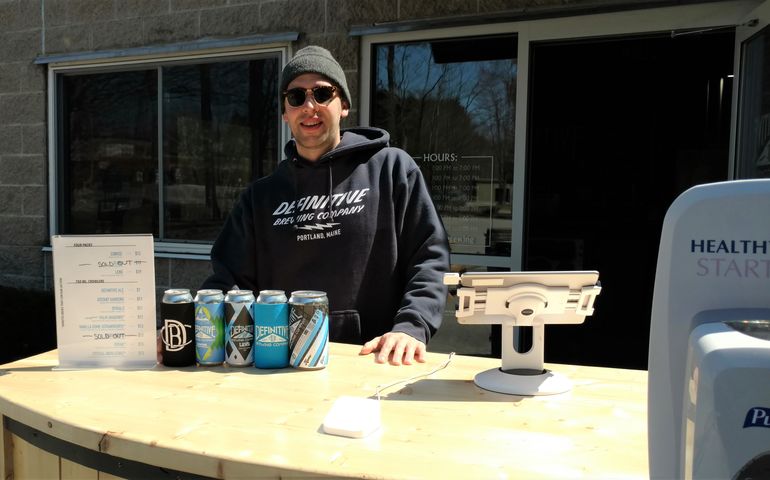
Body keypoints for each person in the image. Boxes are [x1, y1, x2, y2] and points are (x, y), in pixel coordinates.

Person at [200, 45, 450, 365]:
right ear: (285, 112)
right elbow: (228, 282)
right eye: (296, 97)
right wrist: (188, 328)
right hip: (283, 362)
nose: (309, 106)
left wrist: (412, 326)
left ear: (343, 104)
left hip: (375, 360)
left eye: (322, 93)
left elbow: (429, 256)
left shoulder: (392, 170)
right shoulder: (259, 198)